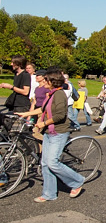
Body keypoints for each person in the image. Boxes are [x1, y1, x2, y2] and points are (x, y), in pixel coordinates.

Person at [15, 68, 84, 202]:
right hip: (48, 132)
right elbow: (42, 109)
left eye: (46, 79)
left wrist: (43, 123)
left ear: (52, 81)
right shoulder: (51, 94)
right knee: (45, 163)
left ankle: (77, 181)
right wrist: (26, 114)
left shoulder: (59, 95)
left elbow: (60, 115)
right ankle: (49, 194)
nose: (43, 81)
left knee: (53, 162)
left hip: (58, 132)